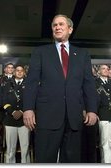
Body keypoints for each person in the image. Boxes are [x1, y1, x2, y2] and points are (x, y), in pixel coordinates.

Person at [23, 14, 98, 163]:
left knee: (72, 160)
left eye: (61, 24)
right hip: (47, 116)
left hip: (74, 117)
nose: (57, 27)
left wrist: (92, 109)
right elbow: (32, 82)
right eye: (54, 25)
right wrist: (28, 108)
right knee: (45, 159)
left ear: (70, 29)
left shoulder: (82, 54)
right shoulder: (41, 52)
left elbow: (88, 83)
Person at [2, 65, 30, 163]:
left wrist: (22, 111)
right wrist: (13, 111)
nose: (19, 72)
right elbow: (3, 101)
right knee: (10, 148)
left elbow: (31, 100)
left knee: (25, 148)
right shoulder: (7, 84)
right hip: (10, 119)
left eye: (21, 70)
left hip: (25, 120)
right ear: (14, 72)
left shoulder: (29, 84)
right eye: (17, 70)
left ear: (24, 72)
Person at [96, 65, 111, 163]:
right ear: (99, 72)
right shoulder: (95, 83)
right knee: (104, 142)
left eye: (107, 69)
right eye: (103, 68)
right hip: (102, 114)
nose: (106, 70)